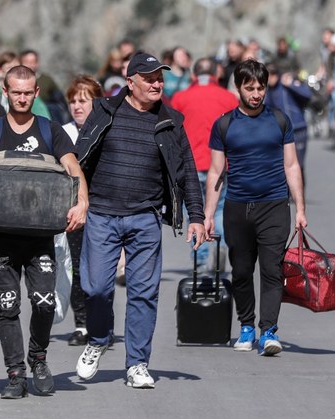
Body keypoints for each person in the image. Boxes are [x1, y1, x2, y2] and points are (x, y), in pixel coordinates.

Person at [0, 65, 88, 399]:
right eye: (17, 92)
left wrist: (81, 202)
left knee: (43, 304)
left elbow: (73, 167)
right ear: (6, 92)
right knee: (7, 306)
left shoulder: (50, 129)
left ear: (36, 93)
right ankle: (15, 374)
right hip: (2, 237)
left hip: (42, 236)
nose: (23, 98)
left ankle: (38, 358)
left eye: (28, 92)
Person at [74, 52, 206, 388]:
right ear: (130, 82)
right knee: (96, 288)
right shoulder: (104, 111)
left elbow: (187, 171)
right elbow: (79, 159)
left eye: (159, 77)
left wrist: (197, 216)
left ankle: (137, 364)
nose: (156, 83)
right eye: (148, 78)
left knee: (144, 293)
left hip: (145, 218)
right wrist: (75, 201)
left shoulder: (170, 120)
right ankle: (99, 339)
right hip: (102, 214)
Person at [204, 59, 307, 357]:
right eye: (250, 88)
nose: (256, 94)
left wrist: (300, 207)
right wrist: (209, 215)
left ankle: (269, 331)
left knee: (272, 270)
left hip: (274, 206)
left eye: (260, 88)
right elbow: (215, 172)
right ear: (238, 88)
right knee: (241, 270)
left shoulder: (279, 120)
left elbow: (291, 165)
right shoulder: (224, 124)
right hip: (237, 208)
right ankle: (246, 326)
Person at [170, 57, 238, 272]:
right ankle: (220, 247)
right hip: (219, 165)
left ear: (193, 75)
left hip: (189, 166)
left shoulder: (180, 99)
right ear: (216, 75)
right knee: (218, 209)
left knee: (195, 213)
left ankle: (200, 258)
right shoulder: (229, 98)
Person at [61, 75, 103, 346]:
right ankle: (81, 324)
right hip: (72, 210)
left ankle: (101, 323)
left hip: (103, 210)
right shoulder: (62, 133)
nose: (77, 106)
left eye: (83, 101)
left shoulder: (106, 129)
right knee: (76, 268)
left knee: (100, 273)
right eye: (73, 101)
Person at [264, 62, 311, 184]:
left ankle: (300, 193)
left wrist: (291, 85)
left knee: (298, 164)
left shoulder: (287, 83)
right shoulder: (267, 92)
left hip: (298, 128)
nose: (270, 79)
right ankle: (287, 194)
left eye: (272, 75)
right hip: (281, 132)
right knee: (284, 165)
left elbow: (307, 94)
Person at [19, 49, 70, 123]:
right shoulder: (16, 81)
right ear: (21, 63)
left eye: (33, 62)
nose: (30, 65)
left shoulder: (47, 80)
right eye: (27, 62)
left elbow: (61, 102)